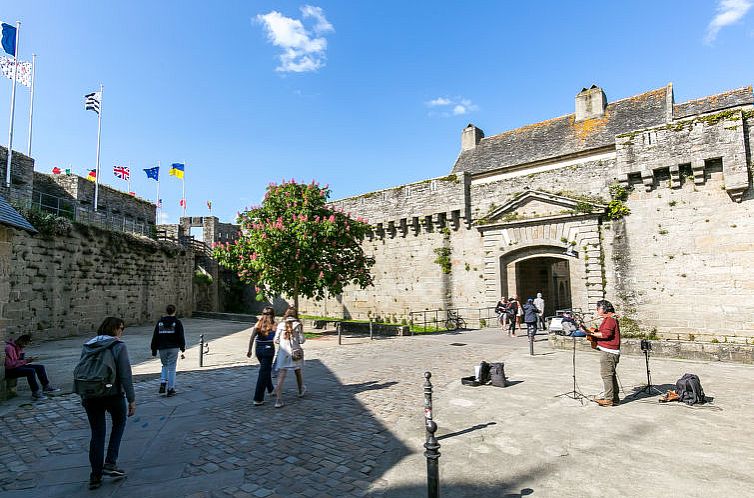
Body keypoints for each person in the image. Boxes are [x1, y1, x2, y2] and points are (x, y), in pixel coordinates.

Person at [80, 317, 135, 490]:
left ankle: (95, 476)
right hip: (112, 393)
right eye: (121, 328)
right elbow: (125, 375)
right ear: (116, 329)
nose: (122, 332)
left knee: (97, 433)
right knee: (119, 423)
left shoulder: (88, 345)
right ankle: (110, 462)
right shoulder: (119, 346)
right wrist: (131, 399)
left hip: (90, 394)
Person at [4, 334, 60, 399]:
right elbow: (10, 365)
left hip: (16, 367)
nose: (25, 346)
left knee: (40, 367)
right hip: (10, 371)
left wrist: (26, 360)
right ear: (21, 341)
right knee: (30, 371)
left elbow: (18, 361)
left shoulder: (18, 347)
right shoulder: (9, 348)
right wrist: (26, 361)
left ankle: (46, 386)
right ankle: (35, 392)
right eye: (25, 344)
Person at [588, 300, 621, 407]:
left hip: (609, 352)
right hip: (609, 351)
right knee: (610, 375)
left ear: (604, 309)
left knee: (606, 375)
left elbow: (606, 335)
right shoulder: (609, 318)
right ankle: (614, 398)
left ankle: (608, 399)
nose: (597, 310)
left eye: (598, 308)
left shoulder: (610, 319)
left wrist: (591, 333)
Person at [273, 307, 306, 408]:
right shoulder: (298, 325)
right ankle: (300, 390)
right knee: (298, 371)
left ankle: (278, 400)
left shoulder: (281, 325)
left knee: (281, 376)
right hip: (295, 353)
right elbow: (302, 340)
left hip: (283, 353)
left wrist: (284, 342)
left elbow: (276, 340)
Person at [150, 304, 186, 397]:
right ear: (174, 311)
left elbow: (155, 336)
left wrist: (154, 348)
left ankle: (163, 381)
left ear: (166, 311)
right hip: (173, 347)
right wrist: (182, 347)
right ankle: (171, 388)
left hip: (162, 347)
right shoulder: (177, 322)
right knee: (172, 368)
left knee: (164, 365)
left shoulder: (160, 322)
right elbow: (180, 336)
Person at [247, 306, 277, 406]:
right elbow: (278, 339)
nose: (264, 315)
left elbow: (252, 337)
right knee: (263, 373)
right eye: (265, 313)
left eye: (265, 313)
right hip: (268, 351)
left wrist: (249, 350)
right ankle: (258, 398)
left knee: (265, 370)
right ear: (273, 315)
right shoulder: (274, 325)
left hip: (258, 350)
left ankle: (271, 389)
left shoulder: (258, 323)